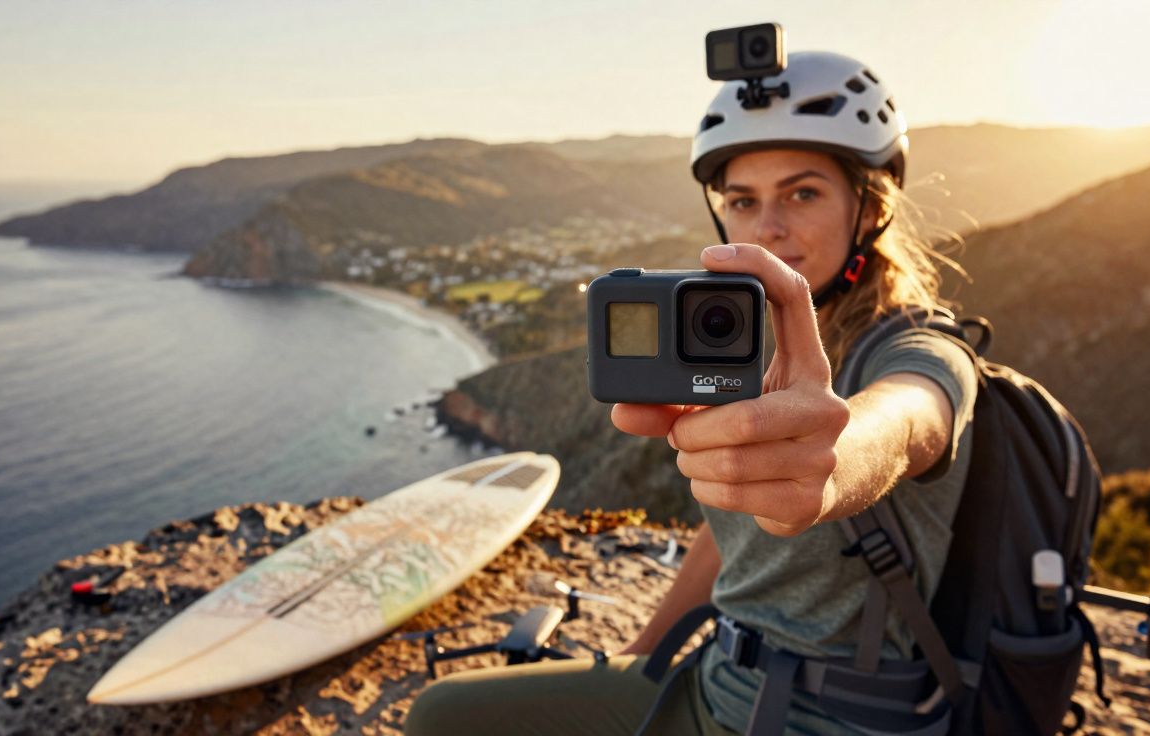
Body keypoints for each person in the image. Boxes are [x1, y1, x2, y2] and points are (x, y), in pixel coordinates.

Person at [405, 49, 975, 736]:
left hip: (838, 721)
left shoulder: (920, 347)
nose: (767, 228)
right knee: (443, 717)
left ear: (870, 206)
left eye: (802, 193)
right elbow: (727, 528)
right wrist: (640, 655)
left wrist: (838, 460)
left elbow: (911, 420)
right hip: (712, 682)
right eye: (742, 201)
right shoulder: (742, 348)